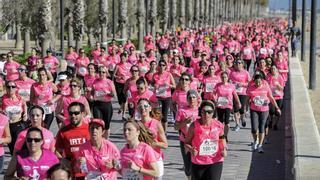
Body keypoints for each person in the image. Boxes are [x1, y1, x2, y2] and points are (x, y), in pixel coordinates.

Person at [185, 101, 227, 180]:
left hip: (215, 161)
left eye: (209, 112)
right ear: (200, 112)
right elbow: (186, 142)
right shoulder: (194, 126)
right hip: (198, 162)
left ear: (213, 113)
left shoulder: (219, 125)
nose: (206, 114)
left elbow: (222, 139)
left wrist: (223, 149)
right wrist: (191, 149)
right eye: (203, 112)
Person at [55, 102, 91, 178]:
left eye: (76, 113)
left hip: (89, 173)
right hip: (71, 173)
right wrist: (63, 161)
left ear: (83, 113)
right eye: (70, 113)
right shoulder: (63, 131)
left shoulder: (89, 129)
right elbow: (57, 151)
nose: (73, 116)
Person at [247, 74, 281, 153]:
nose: (258, 84)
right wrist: (246, 108)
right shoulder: (251, 88)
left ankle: (260, 145)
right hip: (254, 109)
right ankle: (255, 140)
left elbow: (271, 98)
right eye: (256, 82)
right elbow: (247, 99)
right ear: (254, 81)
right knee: (254, 129)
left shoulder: (266, 87)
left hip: (264, 110)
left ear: (262, 81)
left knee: (262, 126)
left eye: (259, 82)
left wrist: (277, 108)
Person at [138, 98, 168, 179]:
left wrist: (155, 144)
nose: (143, 108)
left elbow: (165, 145)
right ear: (137, 109)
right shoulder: (136, 125)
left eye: (145, 106)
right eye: (140, 106)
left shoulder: (157, 124)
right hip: (142, 160)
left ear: (150, 108)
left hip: (156, 159)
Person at [174, 90, 201, 180]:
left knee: (198, 164)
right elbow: (176, 127)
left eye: (194, 97)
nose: (192, 99)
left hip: (198, 141)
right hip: (185, 141)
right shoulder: (181, 111)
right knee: (188, 167)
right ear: (187, 99)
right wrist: (185, 122)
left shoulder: (201, 110)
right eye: (189, 97)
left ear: (197, 99)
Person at [91, 65, 117, 138]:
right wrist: (92, 96)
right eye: (100, 72)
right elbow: (92, 93)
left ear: (106, 73)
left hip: (107, 105)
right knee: (98, 123)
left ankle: (106, 140)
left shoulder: (109, 82)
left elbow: (114, 95)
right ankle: (99, 139)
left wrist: (108, 93)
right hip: (97, 104)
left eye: (103, 72)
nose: (101, 74)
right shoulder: (95, 81)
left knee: (106, 125)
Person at [2, 81, 27, 154]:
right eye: (8, 87)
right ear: (6, 88)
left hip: (18, 124)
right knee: (11, 146)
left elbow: (24, 105)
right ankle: (14, 160)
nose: (11, 88)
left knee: (19, 143)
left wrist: (25, 113)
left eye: (13, 87)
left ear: (16, 88)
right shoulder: (3, 99)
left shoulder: (20, 98)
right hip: (8, 126)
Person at [215, 72, 241, 141]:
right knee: (220, 122)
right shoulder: (218, 85)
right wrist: (215, 100)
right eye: (222, 77)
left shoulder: (231, 86)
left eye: (225, 77)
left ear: (228, 78)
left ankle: (225, 135)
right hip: (220, 105)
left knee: (227, 121)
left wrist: (238, 103)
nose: (224, 79)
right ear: (221, 78)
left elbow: (235, 95)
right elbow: (213, 93)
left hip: (228, 105)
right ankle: (220, 135)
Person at [153, 60, 176, 132]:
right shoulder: (155, 75)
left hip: (167, 97)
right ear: (158, 66)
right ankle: (158, 131)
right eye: (160, 65)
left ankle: (164, 132)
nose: (162, 66)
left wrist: (168, 85)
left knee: (165, 117)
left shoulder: (169, 74)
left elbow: (174, 86)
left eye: (163, 65)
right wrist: (154, 86)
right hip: (158, 97)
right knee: (157, 115)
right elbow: (152, 85)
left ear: (166, 66)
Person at [229, 59, 250, 131]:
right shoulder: (232, 72)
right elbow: (229, 81)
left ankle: (242, 118)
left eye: (239, 63)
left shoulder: (246, 73)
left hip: (243, 92)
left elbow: (249, 83)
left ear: (242, 64)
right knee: (235, 108)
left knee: (241, 108)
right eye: (236, 63)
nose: (238, 64)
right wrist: (232, 84)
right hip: (234, 93)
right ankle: (237, 124)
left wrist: (242, 84)